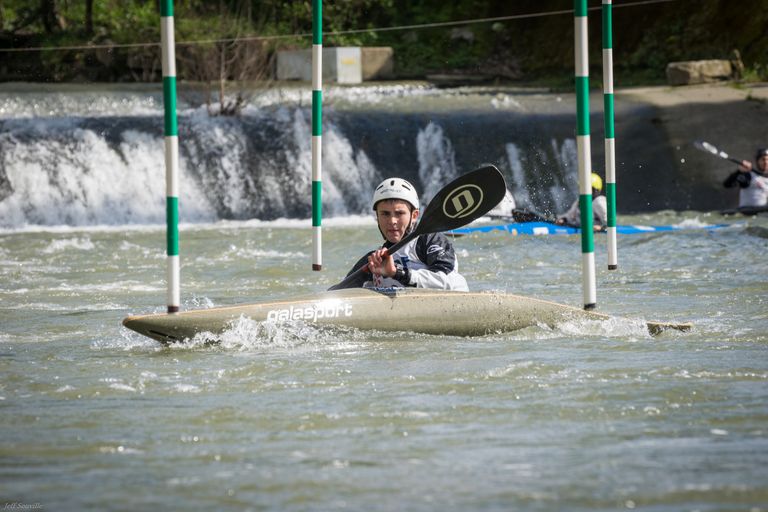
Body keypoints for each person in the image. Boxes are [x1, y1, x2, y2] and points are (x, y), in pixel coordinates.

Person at [337, 177, 469, 291]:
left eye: (399, 213)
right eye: (385, 214)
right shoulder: (373, 260)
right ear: (377, 216)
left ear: (414, 215)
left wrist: (397, 272)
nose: (392, 221)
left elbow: (449, 281)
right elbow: (339, 295)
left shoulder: (429, 241)